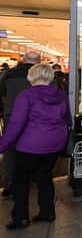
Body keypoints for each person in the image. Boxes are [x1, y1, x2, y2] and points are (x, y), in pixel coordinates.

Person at [0, 64, 71, 229]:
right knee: (44, 176)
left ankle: (20, 218)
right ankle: (47, 212)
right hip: (55, 143)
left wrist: (2, 145)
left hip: (32, 144)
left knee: (20, 179)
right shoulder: (61, 95)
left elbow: (16, 124)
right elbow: (67, 119)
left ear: (31, 76)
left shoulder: (26, 96)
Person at [0, 51, 41, 197]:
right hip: (34, 117)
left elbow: (1, 92)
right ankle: (30, 180)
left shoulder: (10, 74)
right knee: (32, 149)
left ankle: (8, 183)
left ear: (23, 60)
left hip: (12, 115)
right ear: (39, 61)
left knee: (11, 150)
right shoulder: (41, 75)